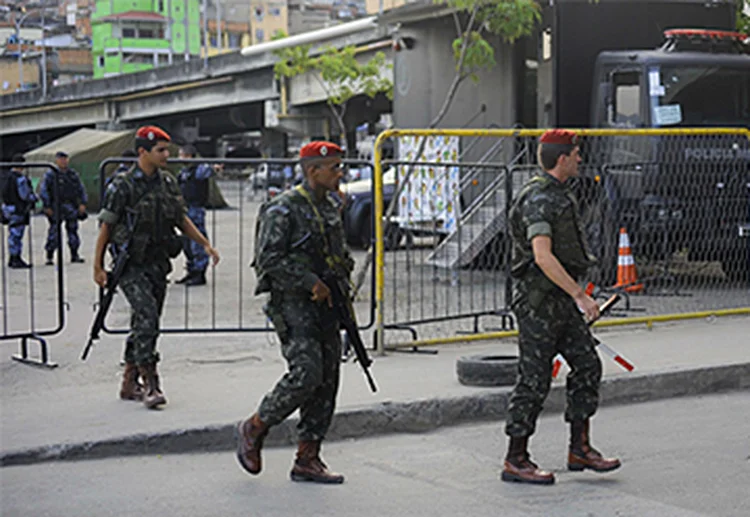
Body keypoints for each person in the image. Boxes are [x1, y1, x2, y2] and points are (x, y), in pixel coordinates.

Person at [502, 129, 621, 485]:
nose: (580, 159)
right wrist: (580, 296)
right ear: (562, 158)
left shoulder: (559, 194)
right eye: (575, 153)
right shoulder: (539, 198)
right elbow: (542, 256)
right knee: (534, 380)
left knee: (587, 366)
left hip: (561, 303)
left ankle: (579, 448)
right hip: (540, 304)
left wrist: (574, 296)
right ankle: (515, 458)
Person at [236, 141, 353, 484]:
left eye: (339, 166)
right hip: (294, 304)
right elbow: (268, 259)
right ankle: (255, 426)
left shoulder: (330, 206)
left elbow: (338, 253)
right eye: (333, 166)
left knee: (328, 380)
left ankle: (308, 457)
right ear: (312, 170)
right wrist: (308, 281)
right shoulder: (282, 209)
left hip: (329, 304)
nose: (339, 172)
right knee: (307, 374)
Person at [93, 126, 220, 410]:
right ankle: (151, 383)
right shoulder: (122, 185)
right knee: (147, 316)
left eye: (167, 149)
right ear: (142, 152)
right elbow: (106, 226)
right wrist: (98, 266)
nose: (167, 155)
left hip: (158, 263)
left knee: (145, 322)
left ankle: (128, 382)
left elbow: (181, 219)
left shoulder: (168, 183)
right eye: (161, 150)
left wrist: (205, 244)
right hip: (130, 265)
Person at [40, 151, 88, 265]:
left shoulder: (72, 175)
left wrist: (82, 203)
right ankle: (50, 256)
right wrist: (47, 206)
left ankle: (74, 254)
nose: (63, 161)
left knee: (73, 231)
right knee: (54, 232)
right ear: (56, 160)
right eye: (61, 159)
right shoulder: (50, 175)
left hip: (70, 205)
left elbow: (81, 189)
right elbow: (44, 191)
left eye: (65, 159)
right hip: (55, 206)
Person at [175, 144, 213, 286]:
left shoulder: (198, 169)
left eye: (182, 155)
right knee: (186, 242)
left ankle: (199, 272)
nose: (179, 158)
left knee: (197, 240)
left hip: (195, 208)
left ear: (189, 156)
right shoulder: (184, 171)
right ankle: (191, 270)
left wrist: (215, 168)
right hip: (185, 208)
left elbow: (209, 171)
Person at [2, 154, 38, 269]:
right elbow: (24, 195)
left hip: (9, 209)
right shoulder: (20, 179)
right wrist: (34, 198)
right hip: (18, 209)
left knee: (13, 234)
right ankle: (15, 258)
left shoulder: (6, 177)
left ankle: (13, 258)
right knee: (17, 235)